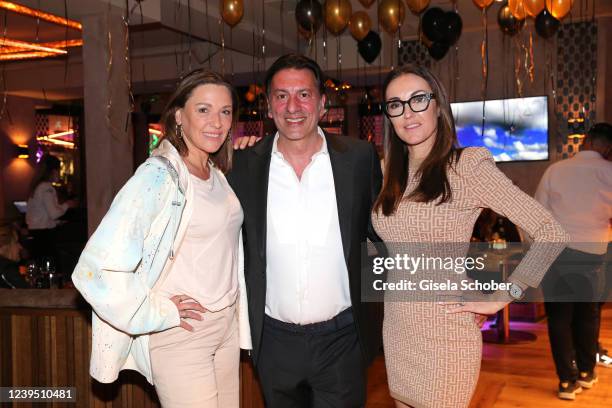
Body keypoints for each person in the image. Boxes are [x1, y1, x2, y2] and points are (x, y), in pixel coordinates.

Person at [371, 64, 567, 408]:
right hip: (399, 330)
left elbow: (550, 231)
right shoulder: (389, 172)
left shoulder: (466, 166)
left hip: (446, 335)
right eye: (395, 104)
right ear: (388, 115)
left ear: (437, 104)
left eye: (418, 99)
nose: (408, 112)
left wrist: (502, 295)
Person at [72, 69, 251, 408]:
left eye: (225, 111)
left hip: (226, 328)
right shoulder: (157, 176)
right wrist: (156, 312)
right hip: (183, 334)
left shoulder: (216, 174)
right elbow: (94, 270)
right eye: (204, 109)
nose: (217, 121)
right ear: (179, 116)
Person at [227, 54, 383, 407]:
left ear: (323, 103)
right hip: (273, 341)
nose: (293, 106)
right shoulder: (243, 166)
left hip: (342, 339)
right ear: (268, 106)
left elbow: (380, 235)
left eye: (304, 94)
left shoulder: (359, 159)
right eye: (281, 96)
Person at [535, 122, 612, 400]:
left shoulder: (556, 170)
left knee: (559, 318)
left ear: (587, 141)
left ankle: (567, 382)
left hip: (557, 254)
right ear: (607, 147)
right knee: (587, 314)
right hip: (594, 254)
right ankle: (587, 372)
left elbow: (537, 216)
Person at [26, 154, 77, 260]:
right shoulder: (46, 188)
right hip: (44, 234)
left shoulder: (38, 186)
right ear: (53, 171)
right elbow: (54, 214)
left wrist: (56, 223)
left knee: (41, 264)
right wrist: (68, 204)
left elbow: (43, 214)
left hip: (36, 232)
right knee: (51, 265)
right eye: (59, 171)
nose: (59, 174)